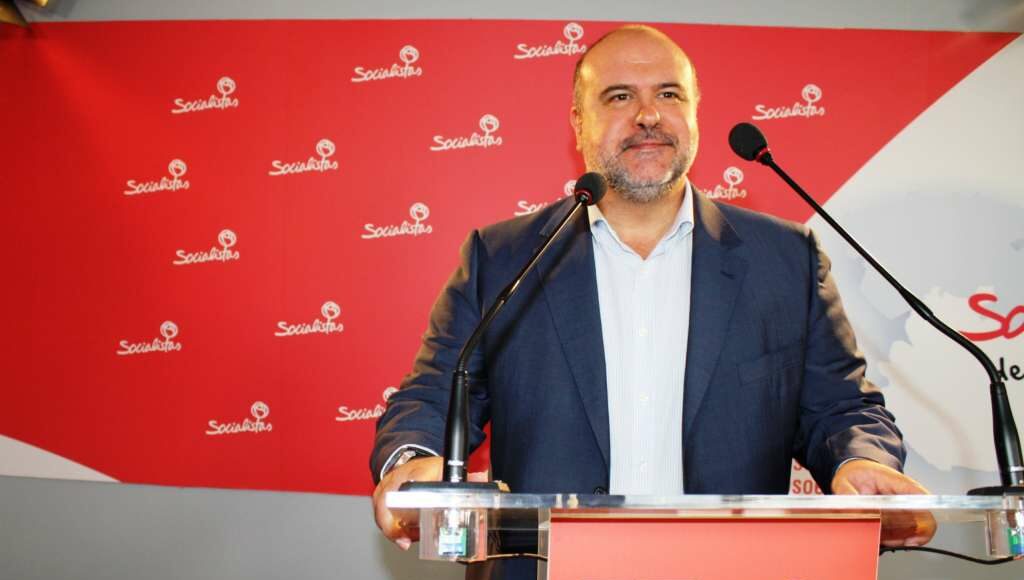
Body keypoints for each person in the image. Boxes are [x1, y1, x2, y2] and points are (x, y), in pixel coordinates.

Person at [371, 24, 935, 575]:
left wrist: (861, 459)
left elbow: (840, 408)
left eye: (669, 94)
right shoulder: (503, 257)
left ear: (695, 112)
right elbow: (435, 395)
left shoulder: (785, 260)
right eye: (619, 96)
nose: (648, 115)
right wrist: (412, 460)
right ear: (578, 122)